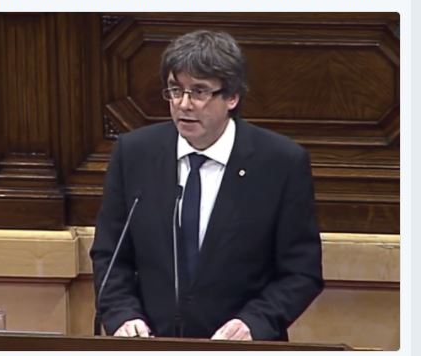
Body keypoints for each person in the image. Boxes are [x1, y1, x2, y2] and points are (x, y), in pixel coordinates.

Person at [90, 30, 323, 341]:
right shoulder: (135, 154)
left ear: (232, 97)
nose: (184, 104)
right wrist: (123, 314)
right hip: (151, 343)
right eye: (176, 90)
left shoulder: (280, 163)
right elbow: (110, 254)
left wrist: (254, 323)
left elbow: (301, 272)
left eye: (199, 92)